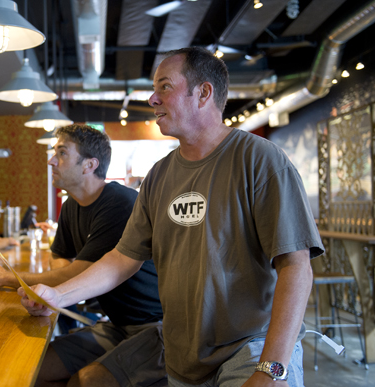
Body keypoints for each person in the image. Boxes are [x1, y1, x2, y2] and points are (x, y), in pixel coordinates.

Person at [19, 47, 324, 387]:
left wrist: (272, 368)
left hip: (248, 347)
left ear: (203, 93)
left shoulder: (260, 159)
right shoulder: (160, 175)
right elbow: (122, 258)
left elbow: (296, 267)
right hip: (181, 348)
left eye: (164, 86)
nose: (152, 98)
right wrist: (59, 296)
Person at [0, 124, 165, 387]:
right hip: (117, 325)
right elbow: (60, 257)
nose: (52, 160)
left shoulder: (120, 203)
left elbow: (80, 271)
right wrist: (53, 288)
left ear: (89, 165)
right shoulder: (72, 205)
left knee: (84, 381)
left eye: (62, 153)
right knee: (30, 368)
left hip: (156, 327)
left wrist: (8, 278)